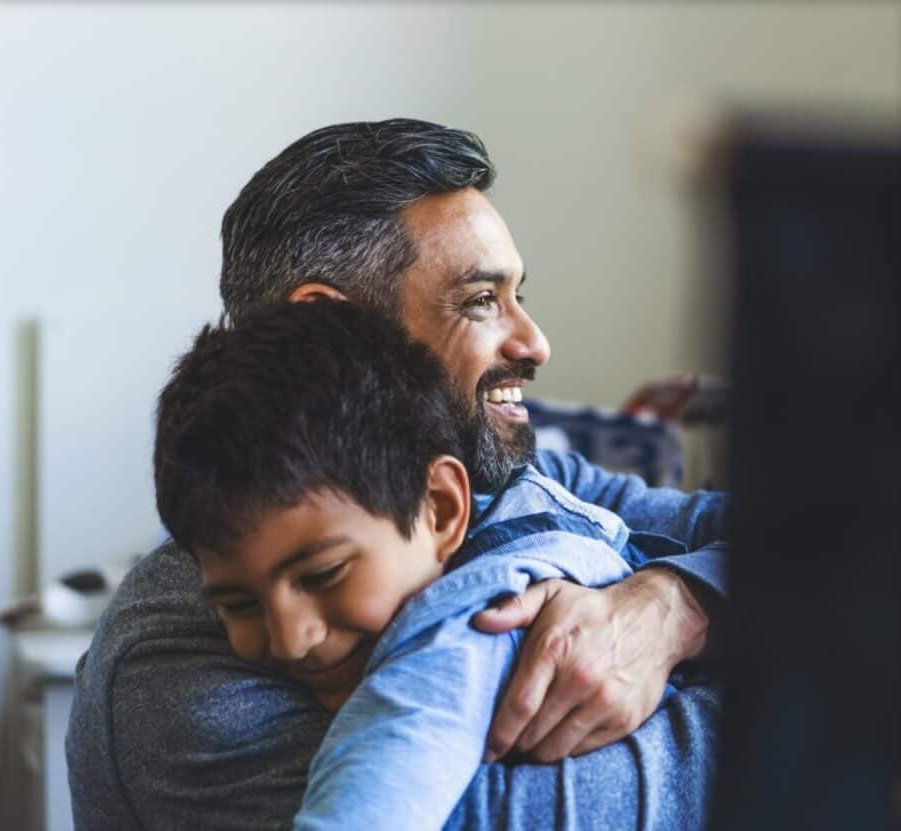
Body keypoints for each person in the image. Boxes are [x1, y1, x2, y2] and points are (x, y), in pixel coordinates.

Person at [67, 118, 727, 829]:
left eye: (518, 296)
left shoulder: (501, 479)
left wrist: (674, 605)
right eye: (480, 300)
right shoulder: (177, 671)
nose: (534, 343)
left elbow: (823, 546)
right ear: (333, 326)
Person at [153, 298, 716, 831]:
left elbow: (390, 766)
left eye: (324, 575)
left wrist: (679, 601)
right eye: (238, 603)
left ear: (444, 509)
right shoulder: (163, 663)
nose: (291, 638)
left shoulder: (471, 621)